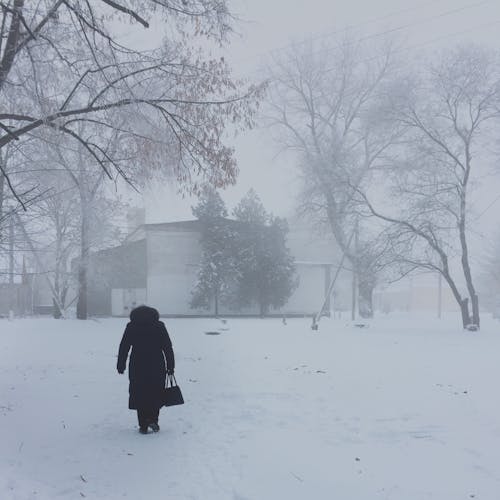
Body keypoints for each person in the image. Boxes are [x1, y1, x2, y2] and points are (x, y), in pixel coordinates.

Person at [117, 305, 175, 434]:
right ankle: (153, 420)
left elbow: (124, 346)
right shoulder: (159, 326)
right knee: (155, 392)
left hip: (137, 364)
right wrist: (170, 366)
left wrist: (121, 364)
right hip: (156, 364)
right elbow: (167, 347)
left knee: (139, 393)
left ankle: (143, 424)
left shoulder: (132, 326)